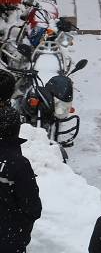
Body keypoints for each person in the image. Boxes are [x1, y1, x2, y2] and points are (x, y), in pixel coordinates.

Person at [0, 106, 41, 253]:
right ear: (17, 129)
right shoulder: (19, 164)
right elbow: (33, 208)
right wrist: (20, 234)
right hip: (8, 242)